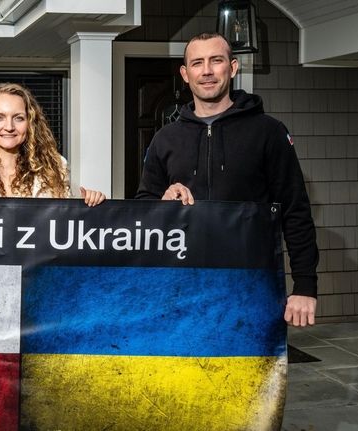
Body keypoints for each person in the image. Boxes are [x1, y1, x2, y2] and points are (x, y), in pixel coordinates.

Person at [136, 32, 318, 327]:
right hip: (181, 285)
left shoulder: (268, 132)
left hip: (251, 284)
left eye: (215, 61)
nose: (206, 71)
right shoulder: (164, 139)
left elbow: (295, 210)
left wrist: (305, 286)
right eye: (197, 63)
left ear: (232, 68)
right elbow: (143, 207)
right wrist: (163, 200)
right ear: (185, 74)